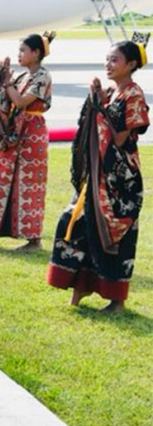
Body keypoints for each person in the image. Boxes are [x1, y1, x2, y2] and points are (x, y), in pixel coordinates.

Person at [48, 36, 149, 313]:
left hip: (120, 178)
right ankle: (78, 292)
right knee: (77, 222)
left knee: (116, 235)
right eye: (107, 59)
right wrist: (96, 102)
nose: (108, 64)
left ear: (130, 64)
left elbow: (118, 140)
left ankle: (117, 300)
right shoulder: (112, 92)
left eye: (114, 60)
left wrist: (99, 108)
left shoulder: (134, 95)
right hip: (97, 173)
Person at [0, 32, 55, 251]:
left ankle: (33, 239)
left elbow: (20, 101)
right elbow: (6, 98)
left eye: (23, 51)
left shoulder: (42, 76)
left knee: (28, 186)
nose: (19, 55)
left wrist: (6, 81)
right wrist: (2, 77)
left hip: (32, 134)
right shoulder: (21, 77)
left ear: (35, 54)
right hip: (15, 134)